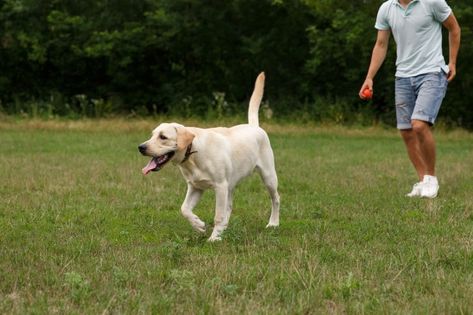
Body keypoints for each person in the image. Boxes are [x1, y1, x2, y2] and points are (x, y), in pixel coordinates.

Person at [359, 0, 461, 198]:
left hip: (432, 72)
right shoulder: (387, 9)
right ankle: (423, 180)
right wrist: (369, 77)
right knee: (406, 131)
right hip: (403, 76)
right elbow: (381, 44)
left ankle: (432, 178)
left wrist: (452, 62)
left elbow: (454, 28)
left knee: (419, 125)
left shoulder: (432, 2)